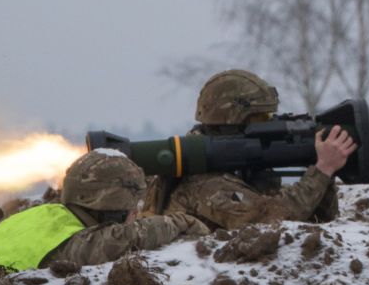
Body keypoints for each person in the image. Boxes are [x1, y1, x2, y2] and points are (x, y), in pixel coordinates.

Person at [142, 69, 357, 230]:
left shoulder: (239, 170)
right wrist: (321, 171)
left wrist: (324, 175)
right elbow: (274, 223)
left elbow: (315, 225)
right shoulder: (205, 183)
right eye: (261, 118)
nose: (270, 124)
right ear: (231, 122)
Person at [0, 150, 209, 271]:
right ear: (111, 206)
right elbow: (120, 239)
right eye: (132, 206)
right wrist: (181, 223)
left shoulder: (36, 216)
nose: (135, 213)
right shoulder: (75, 242)